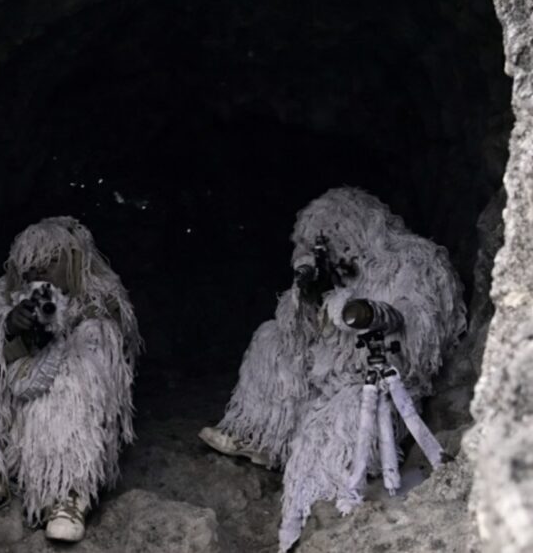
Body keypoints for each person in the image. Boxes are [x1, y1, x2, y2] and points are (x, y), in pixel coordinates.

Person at [198, 187, 465, 551]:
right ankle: (260, 439)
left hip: (375, 382)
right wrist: (306, 296)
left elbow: (421, 331)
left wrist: (364, 312)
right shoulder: (337, 276)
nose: (330, 252)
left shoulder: (414, 260)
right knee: (271, 338)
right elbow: (299, 334)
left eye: (333, 240)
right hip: (326, 372)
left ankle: (313, 513)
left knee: (333, 424)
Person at [0, 216, 142, 542]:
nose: (39, 271)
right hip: (5, 423)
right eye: (31, 264)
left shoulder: (101, 302)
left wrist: (57, 333)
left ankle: (65, 493)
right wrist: (6, 329)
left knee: (73, 383)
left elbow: (103, 371)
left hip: (61, 428)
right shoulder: (3, 296)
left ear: (74, 261)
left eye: (50, 261)